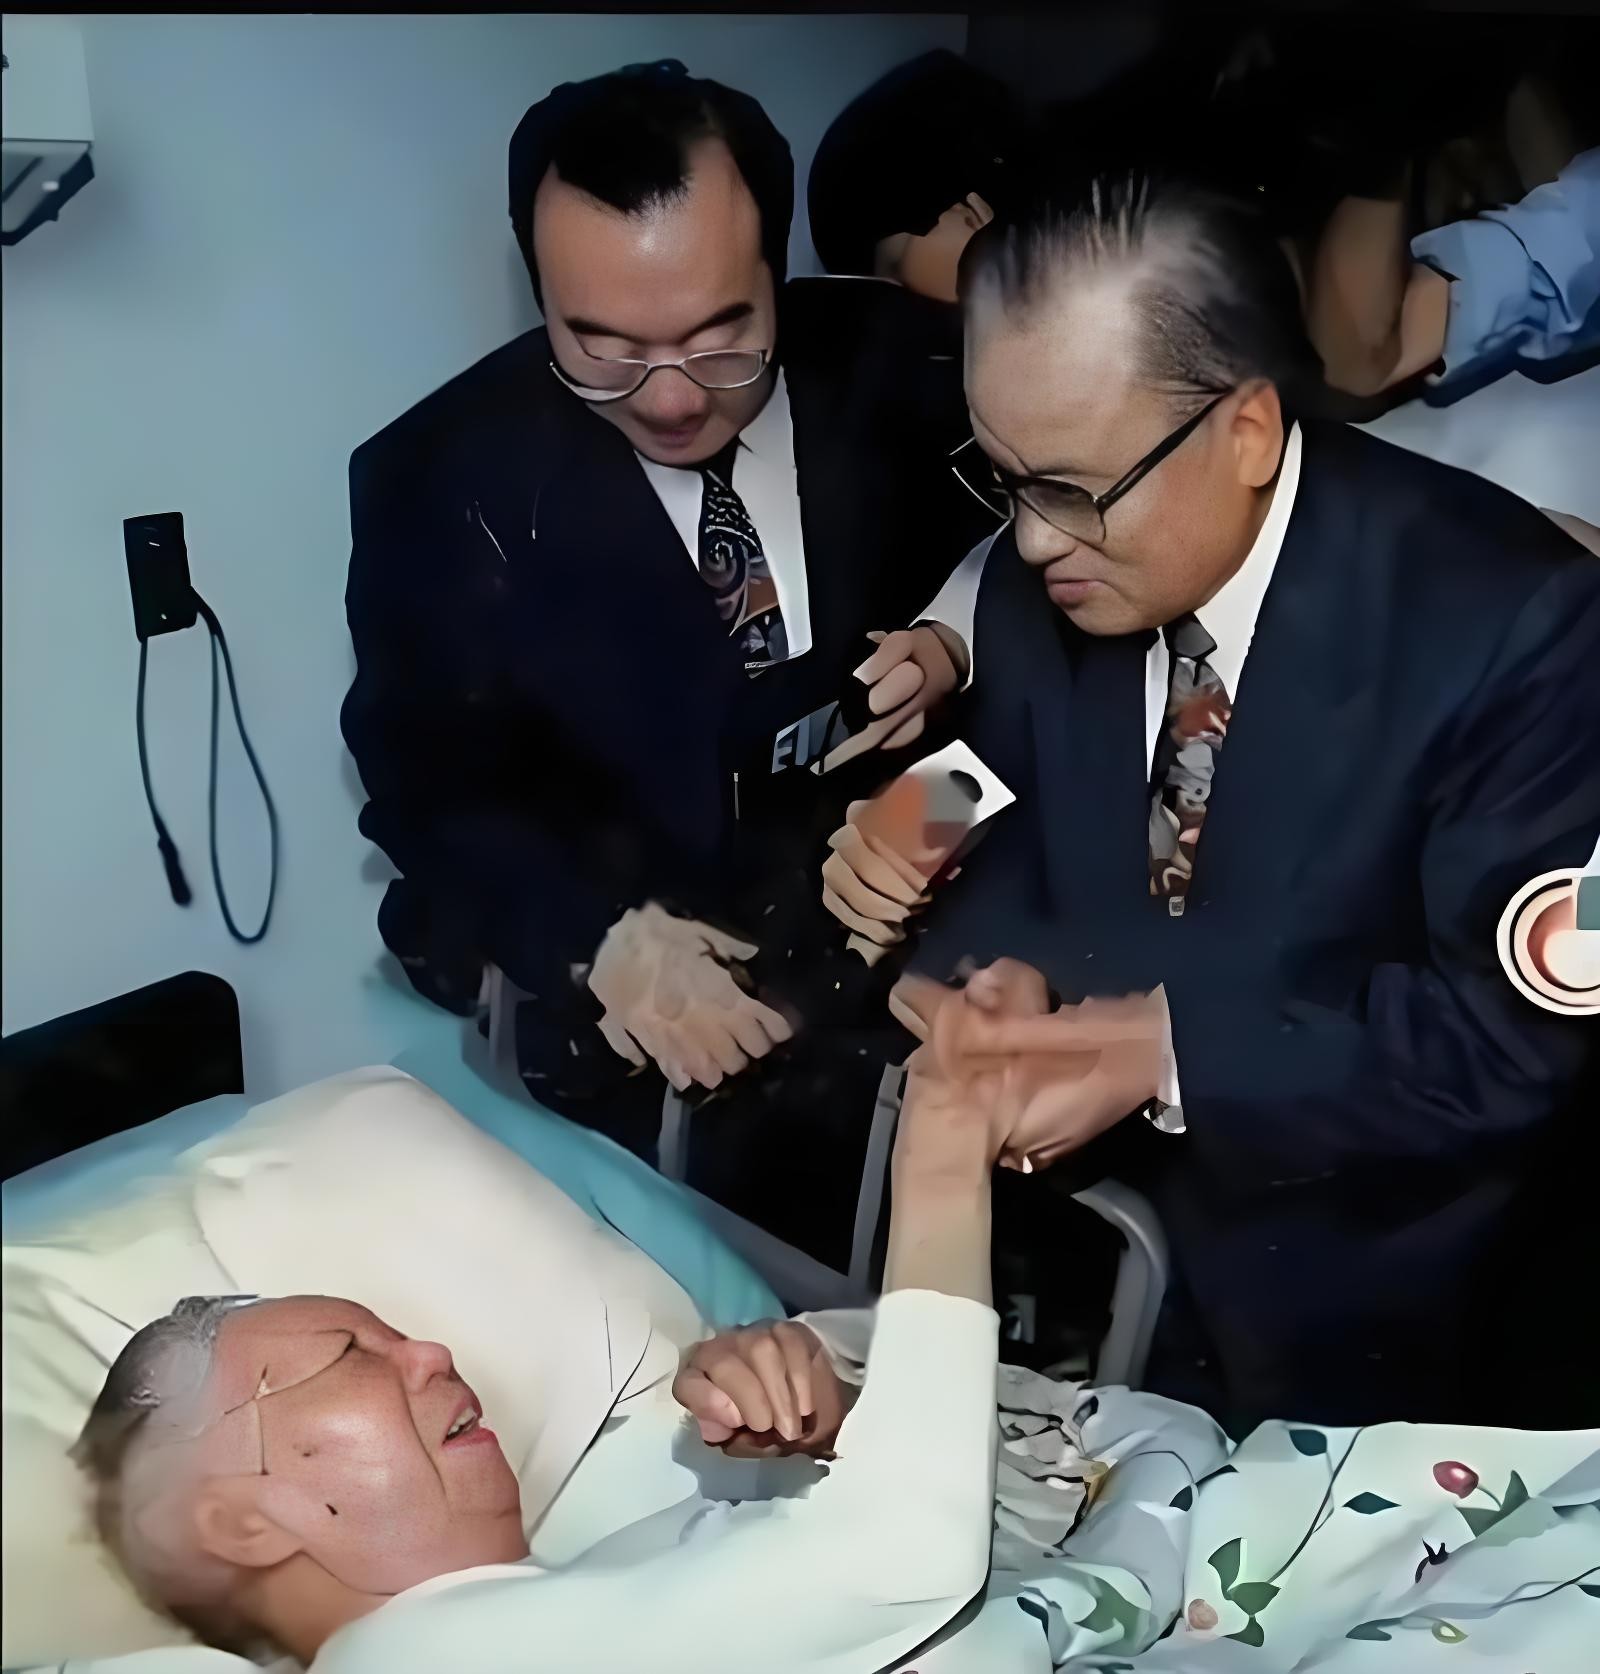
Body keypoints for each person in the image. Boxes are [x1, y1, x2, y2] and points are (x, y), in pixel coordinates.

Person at [822, 167, 1600, 1434]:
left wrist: (1169, 1049)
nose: (1031, 541)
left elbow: (1514, 1041)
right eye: (1005, 480)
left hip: (1389, 1338)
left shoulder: (1525, 626)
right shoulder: (1055, 557)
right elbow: (1004, 784)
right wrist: (933, 890)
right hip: (1109, 1296)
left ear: (1246, 430)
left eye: (1071, 491)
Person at [340, 61, 994, 1190]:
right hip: (645, 1004)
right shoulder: (442, 478)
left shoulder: (916, 364)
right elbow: (423, 787)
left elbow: (1050, 619)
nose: (672, 398)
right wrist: (596, 938)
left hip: (920, 955)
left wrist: (949, 720)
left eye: (721, 333)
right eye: (604, 347)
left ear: (777, 269)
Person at [61, 1021, 1021, 1674]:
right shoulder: (415, 1658)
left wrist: (811, 1427)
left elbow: (853, 1549)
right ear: (243, 1526)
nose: (431, 1354)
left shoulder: (570, 1576)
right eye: (350, 1355)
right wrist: (942, 1158)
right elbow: (904, 1552)